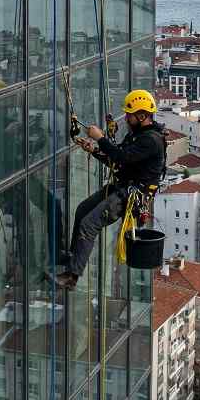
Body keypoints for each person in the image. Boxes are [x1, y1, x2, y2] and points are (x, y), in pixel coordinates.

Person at [54, 89, 168, 289]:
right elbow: (118, 160)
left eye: (129, 114)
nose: (126, 117)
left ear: (142, 116)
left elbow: (122, 157)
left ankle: (71, 277)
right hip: (120, 188)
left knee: (89, 225)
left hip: (129, 196)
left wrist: (100, 138)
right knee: (82, 210)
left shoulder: (151, 140)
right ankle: (72, 257)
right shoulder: (137, 136)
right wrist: (94, 150)